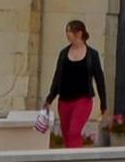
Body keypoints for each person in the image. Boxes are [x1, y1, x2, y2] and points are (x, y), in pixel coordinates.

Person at [45, 19, 106, 149]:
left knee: (73, 132)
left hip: (83, 100)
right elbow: (57, 78)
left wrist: (103, 103)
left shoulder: (92, 55)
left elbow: (99, 79)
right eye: (66, 31)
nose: (67, 34)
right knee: (67, 135)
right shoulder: (63, 54)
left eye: (69, 31)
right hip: (64, 101)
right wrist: (49, 99)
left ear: (79, 33)